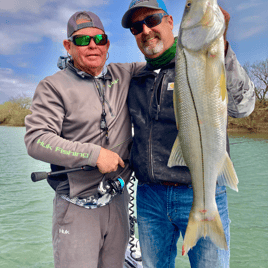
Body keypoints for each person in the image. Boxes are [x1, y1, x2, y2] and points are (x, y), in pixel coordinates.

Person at [121, 1, 255, 268]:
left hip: (201, 191)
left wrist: (221, 48)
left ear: (171, 21)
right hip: (149, 200)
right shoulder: (134, 80)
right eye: (137, 27)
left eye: (152, 20)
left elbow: (243, 107)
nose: (146, 30)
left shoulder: (204, 57)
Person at [24, 11, 144, 268]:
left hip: (118, 201)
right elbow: (37, 139)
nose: (92, 45)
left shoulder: (125, 74)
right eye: (82, 40)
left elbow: (165, 60)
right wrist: (94, 154)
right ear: (68, 46)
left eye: (99, 38)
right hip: (76, 207)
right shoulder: (53, 87)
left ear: (107, 44)